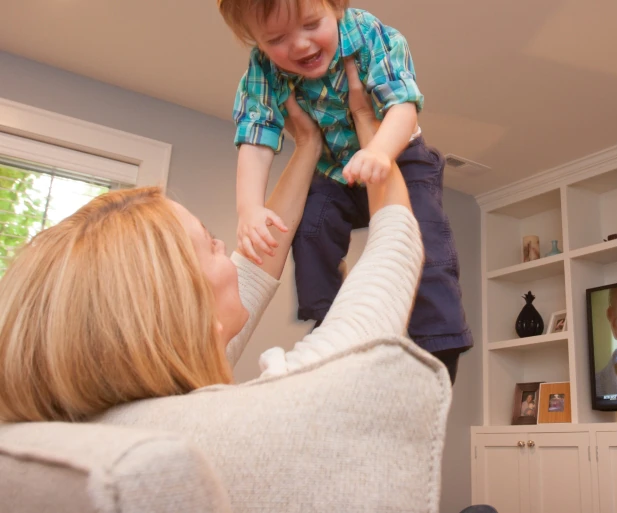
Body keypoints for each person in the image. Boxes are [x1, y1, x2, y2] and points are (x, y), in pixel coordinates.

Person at [0, 58, 419, 423]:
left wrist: (308, 145)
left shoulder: (147, 390)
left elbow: (254, 266)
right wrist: (366, 122)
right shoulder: (273, 406)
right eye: (212, 244)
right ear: (195, 319)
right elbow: (392, 253)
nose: (229, 250)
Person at [216, 0, 472, 382]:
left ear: (335, 5)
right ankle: (329, 323)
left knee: (423, 243)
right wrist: (249, 208)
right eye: (277, 39)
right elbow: (256, 135)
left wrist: (380, 152)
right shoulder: (262, 70)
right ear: (256, 41)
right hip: (334, 170)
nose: (300, 45)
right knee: (310, 233)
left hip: (398, 154)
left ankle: (439, 339)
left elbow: (403, 107)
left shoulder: (369, 35)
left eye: (311, 24)